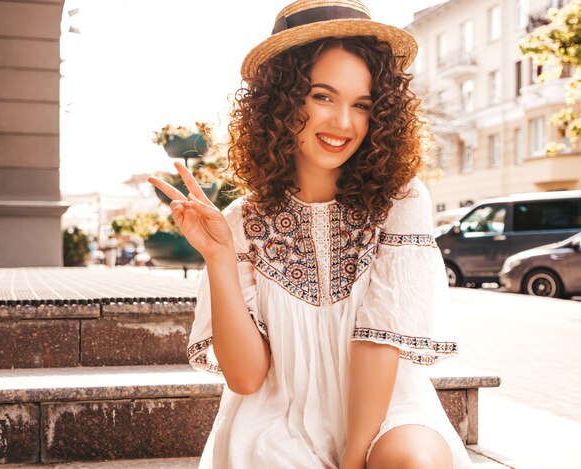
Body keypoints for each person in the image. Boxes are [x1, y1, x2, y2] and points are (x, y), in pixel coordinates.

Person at [148, 1, 473, 467]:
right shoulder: (240, 220)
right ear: (281, 101)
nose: (343, 123)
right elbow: (245, 378)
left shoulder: (399, 199)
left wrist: (355, 457)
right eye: (323, 96)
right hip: (277, 418)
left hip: (386, 411)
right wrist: (219, 258)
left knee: (411, 461)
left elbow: (378, 338)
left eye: (361, 104)